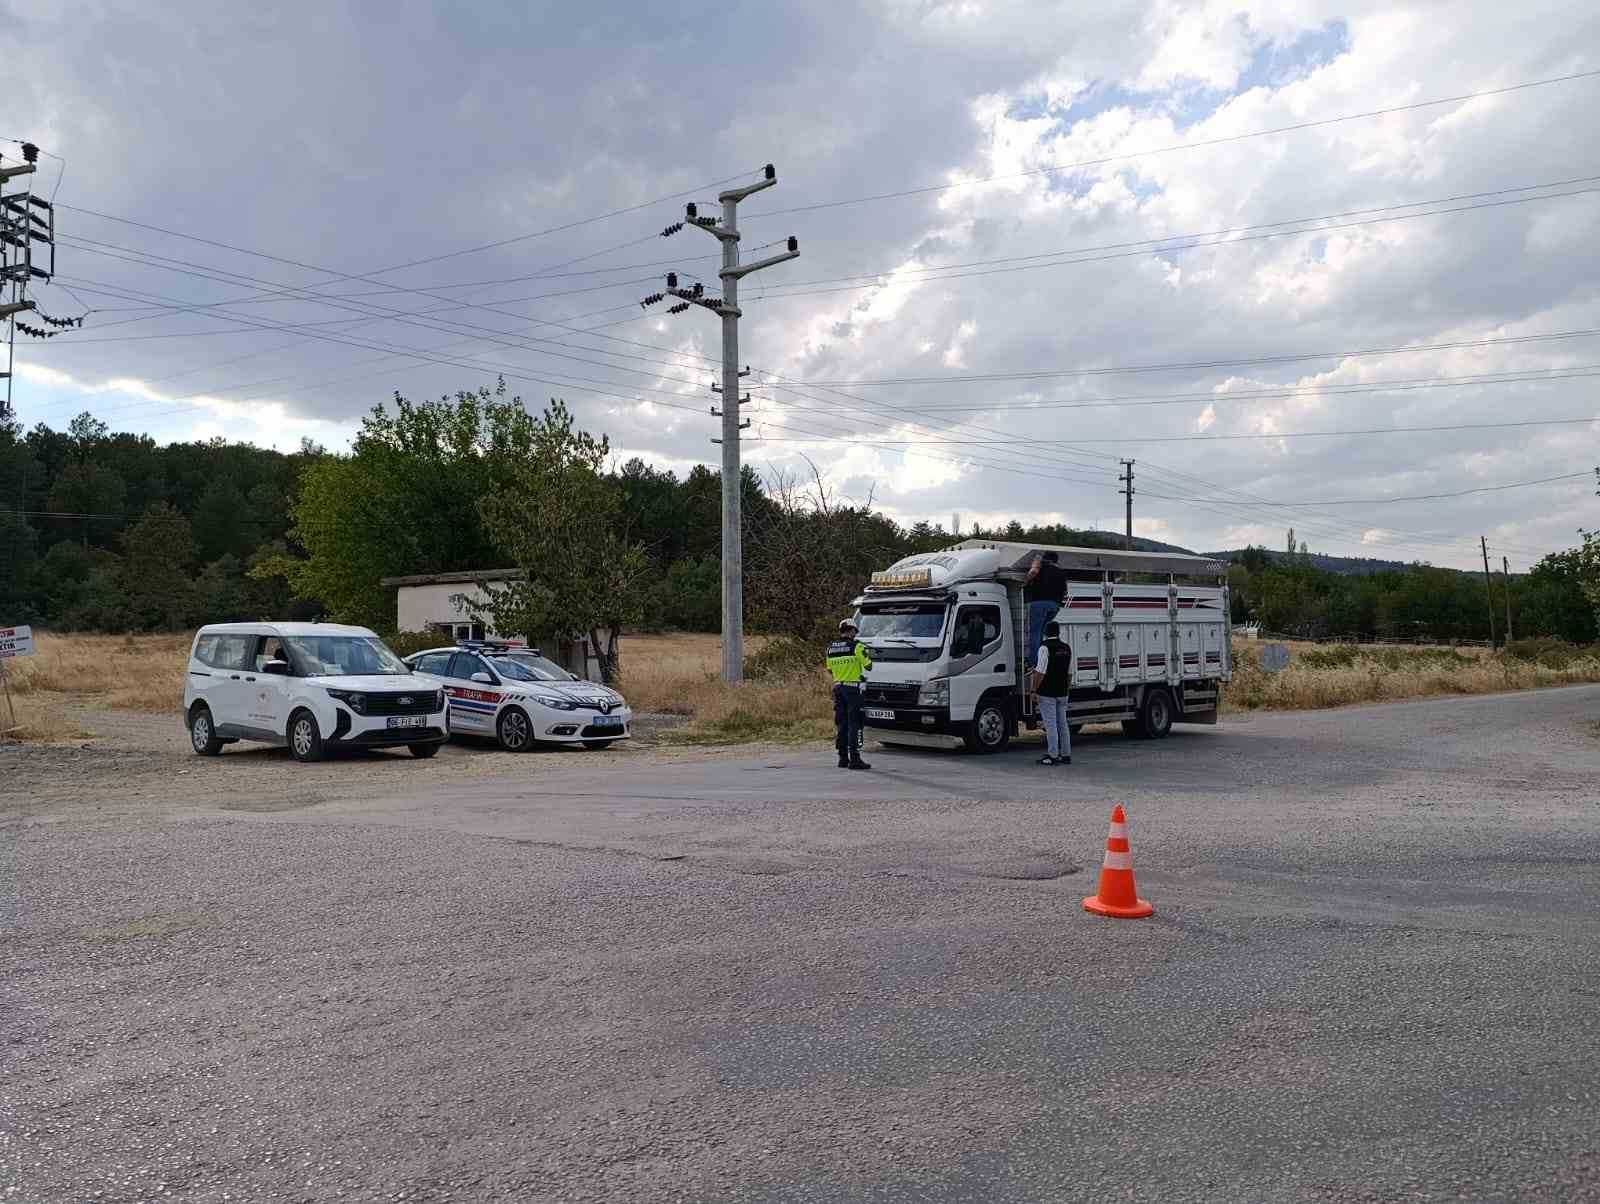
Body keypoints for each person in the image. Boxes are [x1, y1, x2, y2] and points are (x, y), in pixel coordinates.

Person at [826, 617, 872, 770]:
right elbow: (869, 665)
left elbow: (830, 670)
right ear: (852, 631)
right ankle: (855, 759)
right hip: (853, 689)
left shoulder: (830, 648)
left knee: (842, 723)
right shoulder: (857, 646)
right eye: (854, 631)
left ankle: (842, 758)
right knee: (855, 723)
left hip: (838, 688)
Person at [1029, 620, 1072, 766]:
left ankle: (1052, 755)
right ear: (1058, 632)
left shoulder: (1044, 648)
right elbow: (1069, 673)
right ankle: (1066, 754)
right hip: (1062, 692)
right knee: (1063, 724)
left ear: (1046, 633)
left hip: (1047, 693)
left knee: (1051, 725)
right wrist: (1066, 690)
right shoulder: (1066, 648)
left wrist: (1034, 689)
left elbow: (1040, 671)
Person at [1024, 551, 1066, 664]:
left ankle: (1034, 662)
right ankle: (1042, 659)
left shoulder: (1041, 569)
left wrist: (1025, 583)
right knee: (1042, 631)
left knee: (1035, 632)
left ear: (1046, 559)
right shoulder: (1061, 572)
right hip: (1055, 606)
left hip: (1039, 604)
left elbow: (1032, 574)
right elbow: (1065, 591)